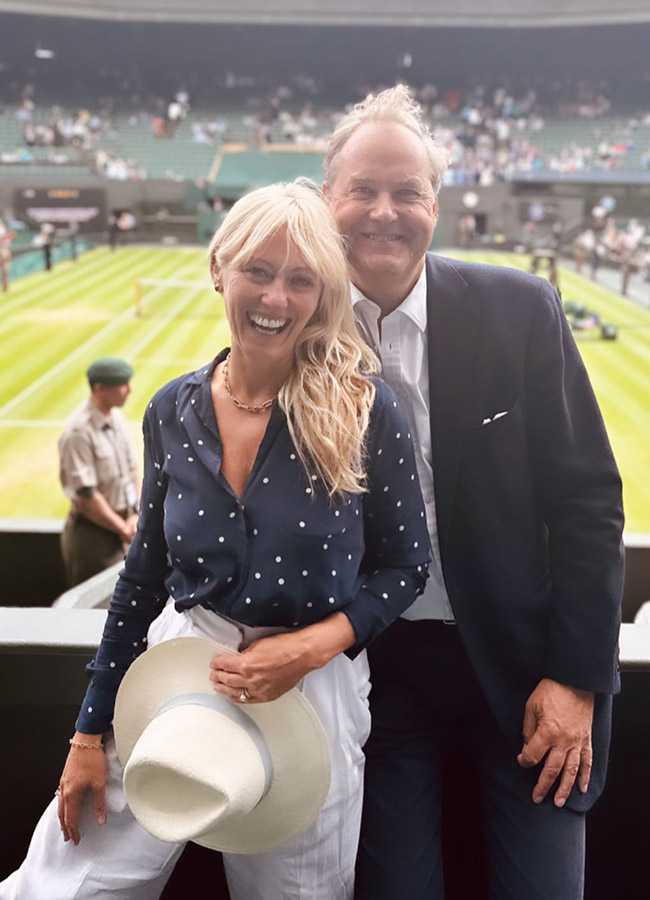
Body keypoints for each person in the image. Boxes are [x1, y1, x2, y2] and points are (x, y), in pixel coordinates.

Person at [2, 182, 430, 900]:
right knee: (64, 885)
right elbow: (140, 580)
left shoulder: (366, 408)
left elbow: (405, 567)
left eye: (301, 280)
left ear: (323, 294)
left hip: (310, 694)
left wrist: (312, 647)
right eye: (258, 271)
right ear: (218, 269)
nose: (277, 297)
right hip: (175, 671)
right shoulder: (171, 408)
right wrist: (86, 736)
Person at [322, 86, 624, 900]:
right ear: (327, 199)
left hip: (528, 676)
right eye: (363, 190)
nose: (385, 212)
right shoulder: (300, 323)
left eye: (408, 192)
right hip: (374, 679)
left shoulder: (519, 308)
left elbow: (590, 504)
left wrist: (576, 681)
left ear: (437, 204)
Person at [58, 357, 139, 587]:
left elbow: (132, 471)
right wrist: (122, 526)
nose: (129, 390)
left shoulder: (117, 419)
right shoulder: (78, 432)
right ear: (100, 388)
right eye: (121, 384)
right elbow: (86, 495)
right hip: (94, 538)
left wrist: (135, 514)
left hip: (125, 531)